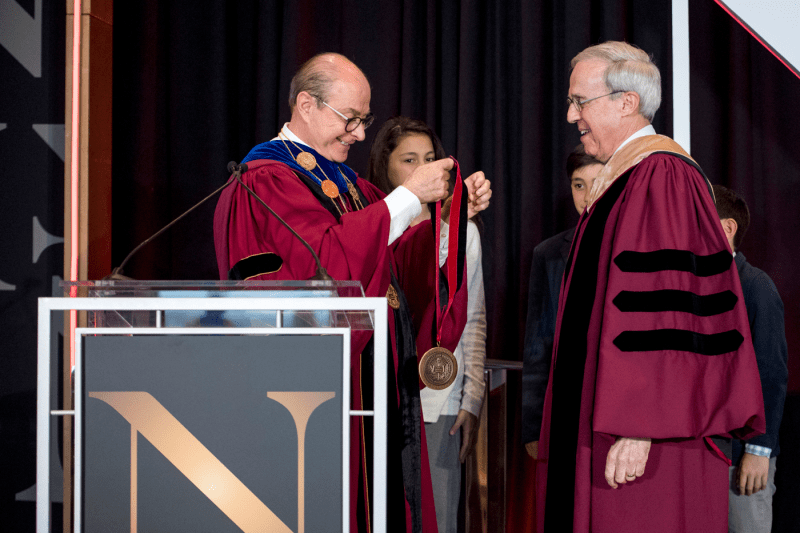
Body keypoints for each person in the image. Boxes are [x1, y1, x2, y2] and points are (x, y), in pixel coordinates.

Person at [213, 53, 492, 533]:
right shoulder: (265, 181)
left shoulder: (353, 187)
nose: (360, 134)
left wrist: (449, 217)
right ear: (306, 104)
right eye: (351, 119)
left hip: (376, 389)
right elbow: (322, 270)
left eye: (365, 120)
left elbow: (396, 269)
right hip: (312, 401)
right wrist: (405, 198)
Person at [535, 41, 766, 533]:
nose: (571, 115)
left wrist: (641, 425)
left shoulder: (662, 177)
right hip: (606, 419)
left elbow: (668, 313)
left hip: (643, 433)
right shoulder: (625, 180)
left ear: (626, 102)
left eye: (580, 101)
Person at [366, 116, 487, 533]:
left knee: (439, 517)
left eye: (430, 158)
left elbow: (472, 319)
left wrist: (471, 401)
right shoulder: (369, 226)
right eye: (409, 160)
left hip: (440, 400)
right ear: (386, 167)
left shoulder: (461, 230)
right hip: (379, 397)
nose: (423, 168)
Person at [712, 184, 788, 533]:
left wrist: (759, 451)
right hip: (703, 450)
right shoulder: (693, 284)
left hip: (742, 452)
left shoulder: (756, 286)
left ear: (727, 228)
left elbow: (771, 373)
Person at [521, 144, 602, 460]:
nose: (586, 196)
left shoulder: (637, 247)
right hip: (566, 405)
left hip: (618, 407)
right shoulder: (549, 254)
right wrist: (532, 426)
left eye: (597, 184)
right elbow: (537, 346)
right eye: (578, 185)